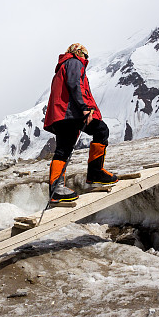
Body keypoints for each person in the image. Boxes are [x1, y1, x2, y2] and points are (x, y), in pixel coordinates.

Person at [43, 43, 118, 204]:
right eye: (85, 55)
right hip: (71, 112)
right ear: (78, 53)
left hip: (62, 114)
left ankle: (56, 190)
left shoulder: (62, 66)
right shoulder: (74, 62)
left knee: (63, 150)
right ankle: (96, 173)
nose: (86, 58)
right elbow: (75, 84)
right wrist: (85, 107)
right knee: (101, 130)